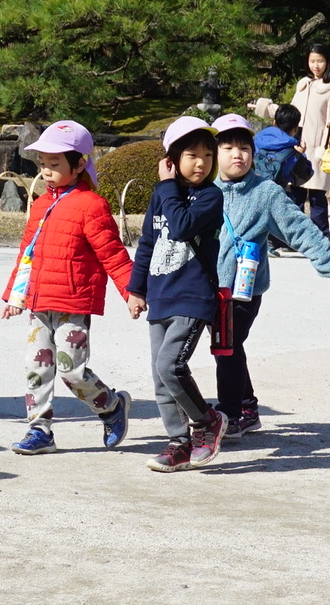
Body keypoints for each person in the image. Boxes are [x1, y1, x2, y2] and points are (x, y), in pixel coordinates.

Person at [0, 120, 137, 455]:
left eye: (55, 164)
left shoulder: (92, 205)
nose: (46, 171)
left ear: (79, 164)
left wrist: (132, 291)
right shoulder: (40, 205)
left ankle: (111, 406)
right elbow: (26, 253)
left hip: (74, 304)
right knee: (37, 368)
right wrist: (14, 295)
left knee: (70, 370)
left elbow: (112, 253)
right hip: (39, 302)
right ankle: (40, 430)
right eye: (43, 164)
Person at [209, 112, 330, 438]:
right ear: (215, 154)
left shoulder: (265, 192)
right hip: (210, 287)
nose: (237, 154)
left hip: (244, 289)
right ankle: (247, 407)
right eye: (228, 147)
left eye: (244, 147)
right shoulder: (205, 190)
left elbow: (298, 228)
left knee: (227, 347)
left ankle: (229, 416)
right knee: (230, 346)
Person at [129, 116, 227, 472]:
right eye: (191, 155)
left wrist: (168, 185)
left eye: (206, 155)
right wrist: (136, 289)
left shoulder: (210, 196)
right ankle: (179, 443)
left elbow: (183, 225)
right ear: (172, 158)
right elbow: (148, 243)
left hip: (192, 295)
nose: (201, 162)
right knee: (159, 377)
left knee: (171, 366)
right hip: (161, 294)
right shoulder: (161, 195)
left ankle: (207, 421)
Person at [288, 45, 330, 234]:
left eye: (320, 61)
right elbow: (291, 113)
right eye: (312, 61)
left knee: (318, 195)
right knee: (296, 193)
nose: (315, 65)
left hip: (318, 146)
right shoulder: (303, 84)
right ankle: (294, 235)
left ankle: (319, 236)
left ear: (327, 62)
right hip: (297, 146)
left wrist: (324, 147)